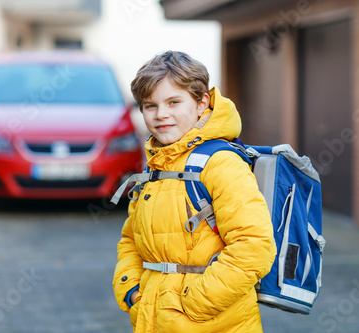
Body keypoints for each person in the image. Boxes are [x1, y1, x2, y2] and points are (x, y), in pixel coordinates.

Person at [112, 50, 276, 332]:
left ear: (201, 103)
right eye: (150, 106)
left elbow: (254, 246)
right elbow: (130, 240)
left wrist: (193, 304)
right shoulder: (154, 167)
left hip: (211, 321)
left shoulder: (221, 164)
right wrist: (132, 290)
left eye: (174, 102)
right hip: (152, 317)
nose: (161, 114)